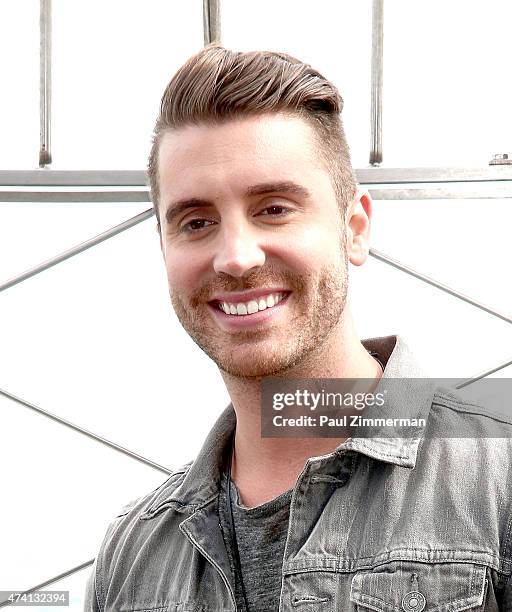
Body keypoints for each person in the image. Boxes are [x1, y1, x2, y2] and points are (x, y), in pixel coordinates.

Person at [84, 45, 512, 611]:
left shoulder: (498, 474)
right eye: (196, 222)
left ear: (354, 227)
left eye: (274, 208)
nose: (235, 257)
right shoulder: (133, 553)